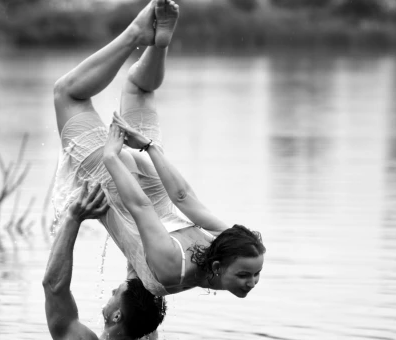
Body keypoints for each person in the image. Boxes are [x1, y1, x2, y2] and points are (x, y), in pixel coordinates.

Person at [52, 0, 266, 297]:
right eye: (247, 274)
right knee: (67, 94)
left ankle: (160, 44)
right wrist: (112, 157)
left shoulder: (227, 241)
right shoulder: (172, 270)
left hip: (153, 179)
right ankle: (135, 35)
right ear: (217, 266)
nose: (252, 282)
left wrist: (150, 148)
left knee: (140, 89)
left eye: (254, 274)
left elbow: (183, 198)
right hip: (120, 185)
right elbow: (141, 207)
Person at [43, 182, 167, 340]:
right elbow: (143, 272)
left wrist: (73, 218)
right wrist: (124, 207)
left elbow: (53, 288)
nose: (112, 289)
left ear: (117, 316)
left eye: (115, 293)